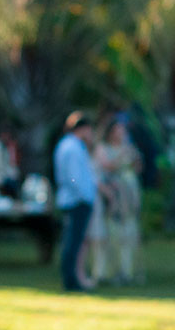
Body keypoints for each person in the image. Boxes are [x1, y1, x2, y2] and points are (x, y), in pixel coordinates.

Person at [92, 118, 144, 284]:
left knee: (129, 234)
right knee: (111, 234)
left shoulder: (129, 148)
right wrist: (122, 158)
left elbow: (137, 166)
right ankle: (109, 272)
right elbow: (106, 166)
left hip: (128, 195)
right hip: (113, 196)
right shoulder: (103, 148)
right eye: (118, 130)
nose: (121, 133)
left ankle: (128, 270)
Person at [53, 112, 98, 292]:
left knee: (74, 241)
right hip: (76, 200)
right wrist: (84, 194)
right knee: (73, 242)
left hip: (76, 198)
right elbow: (73, 177)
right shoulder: (71, 147)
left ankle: (73, 278)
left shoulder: (72, 146)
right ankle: (70, 280)